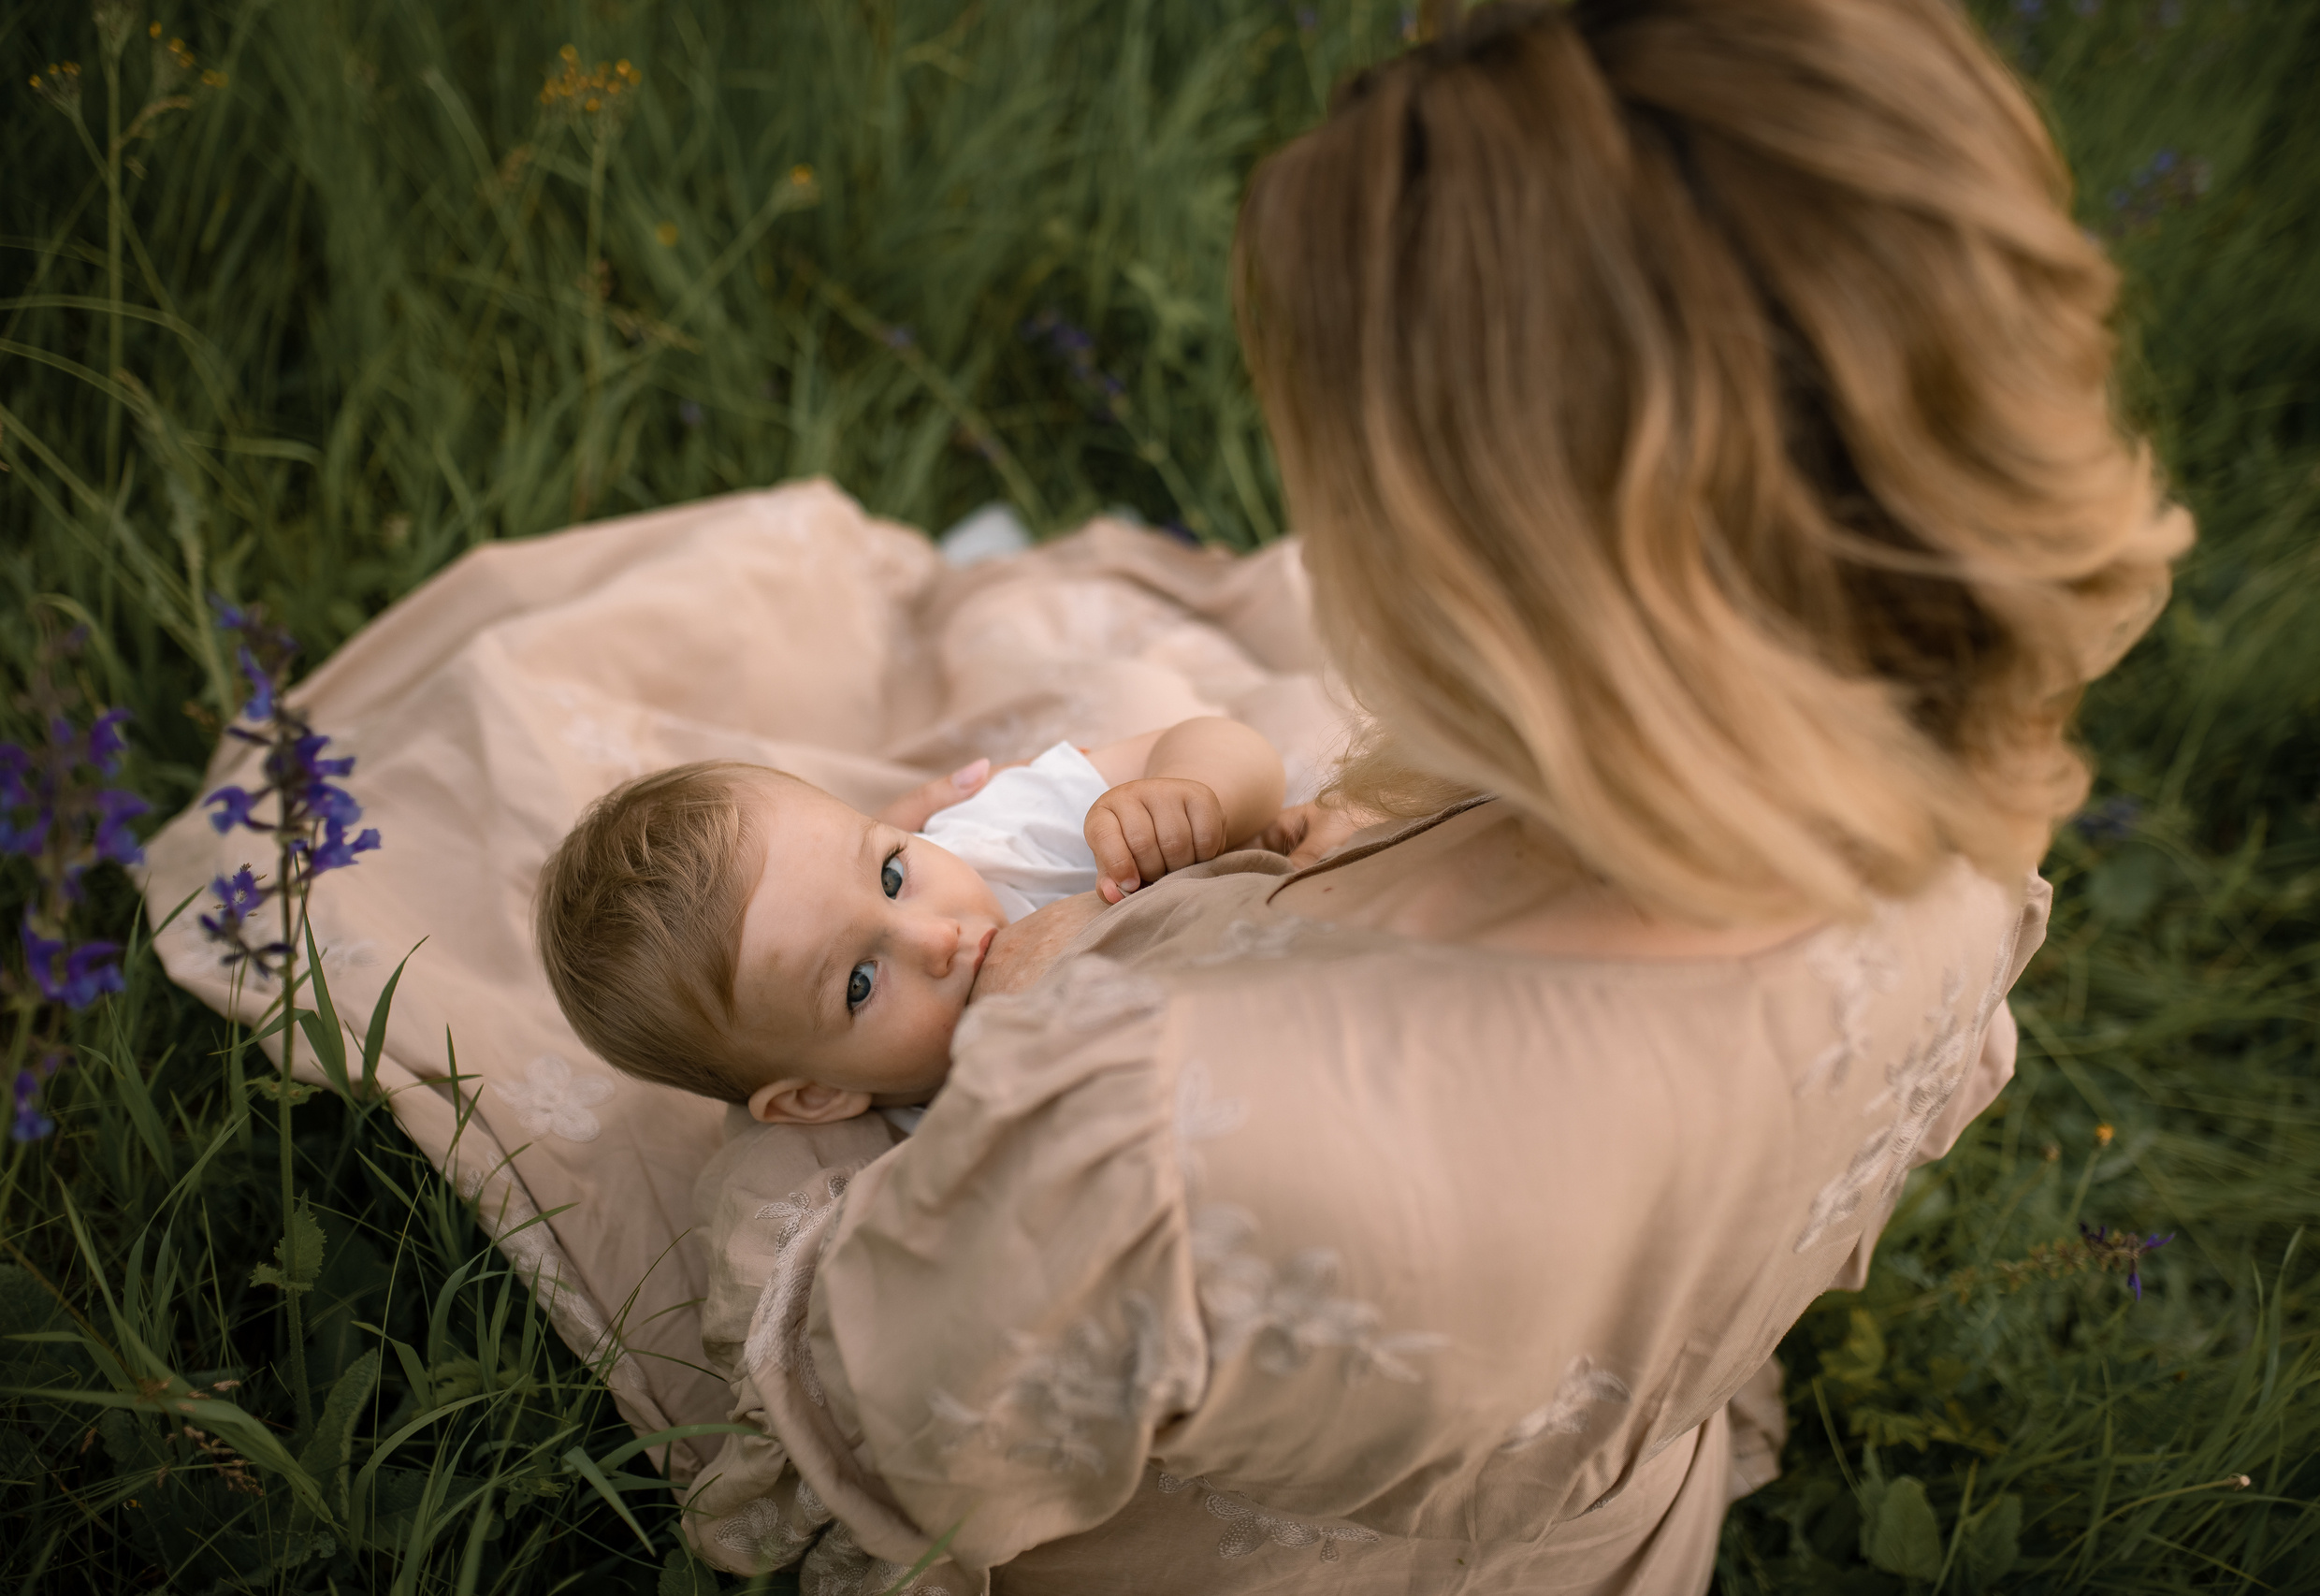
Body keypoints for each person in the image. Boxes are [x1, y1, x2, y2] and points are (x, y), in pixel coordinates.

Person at [681, 2, 2193, 1591]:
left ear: (1495, 567)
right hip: (1586, 1522)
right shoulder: (1948, 838)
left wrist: (1027, 1040)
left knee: (727, 1101)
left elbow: (891, 1445)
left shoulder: (1140, 1132)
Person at [532, 717, 1286, 1127]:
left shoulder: (1002, 842)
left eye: (893, 873)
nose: (937, 938)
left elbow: (1222, 739)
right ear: (814, 1096)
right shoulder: (913, 1157)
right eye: (860, 984)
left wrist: (1190, 793)